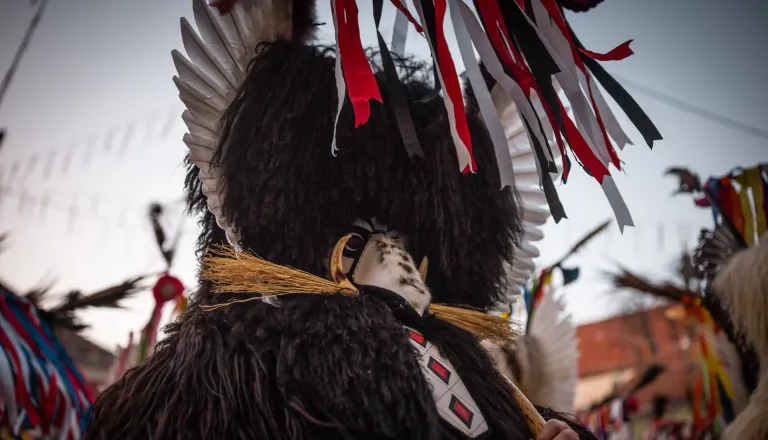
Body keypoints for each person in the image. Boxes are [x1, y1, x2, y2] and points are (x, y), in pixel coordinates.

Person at [86, 0, 658, 438]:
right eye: (374, 240)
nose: (403, 261)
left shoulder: (474, 370)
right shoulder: (255, 369)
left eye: (409, 244)